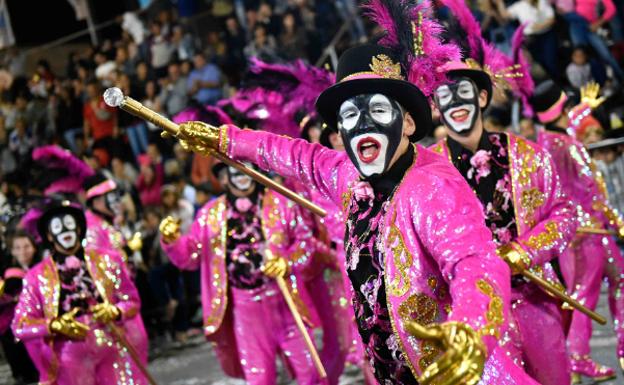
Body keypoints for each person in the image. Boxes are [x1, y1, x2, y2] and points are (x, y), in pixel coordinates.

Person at [173, 43, 538, 385]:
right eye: (350, 115)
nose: (362, 123)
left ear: (407, 123)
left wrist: (472, 332)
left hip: (457, 374)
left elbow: (475, 263)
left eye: (377, 110)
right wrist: (225, 141)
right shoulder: (348, 174)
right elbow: (295, 155)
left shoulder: (432, 185)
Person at [159, 161, 328, 385]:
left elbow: (304, 242)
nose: (241, 175)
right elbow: (191, 256)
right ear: (224, 178)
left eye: (246, 168)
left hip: (285, 300)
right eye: (234, 169)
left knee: (311, 371)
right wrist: (171, 241)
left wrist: (287, 262)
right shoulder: (211, 214)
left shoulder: (280, 202)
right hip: (246, 309)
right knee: (259, 378)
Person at [531, 80, 624, 382]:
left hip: (582, 229)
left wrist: (586, 108)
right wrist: (616, 219)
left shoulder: (547, 139)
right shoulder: (567, 146)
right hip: (587, 231)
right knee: (584, 294)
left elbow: (565, 124)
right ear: (561, 108)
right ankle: (577, 359)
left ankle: (604, 351)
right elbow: (592, 189)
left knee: (617, 279)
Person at [12, 198, 149, 385]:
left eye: (69, 225)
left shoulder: (108, 261)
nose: (65, 231)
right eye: (58, 227)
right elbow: (20, 325)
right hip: (69, 357)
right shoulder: (36, 277)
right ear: (49, 236)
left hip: (112, 345)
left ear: (78, 229)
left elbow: (132, 301)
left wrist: (115, 311)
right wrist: (53, 325)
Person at [0, 231, 38, 384]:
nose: (23, 251)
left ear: (34, 248)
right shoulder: (9, 273)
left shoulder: (43, 268)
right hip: (12, 327)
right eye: (18, 247)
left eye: (26, 246)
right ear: (12, 250)